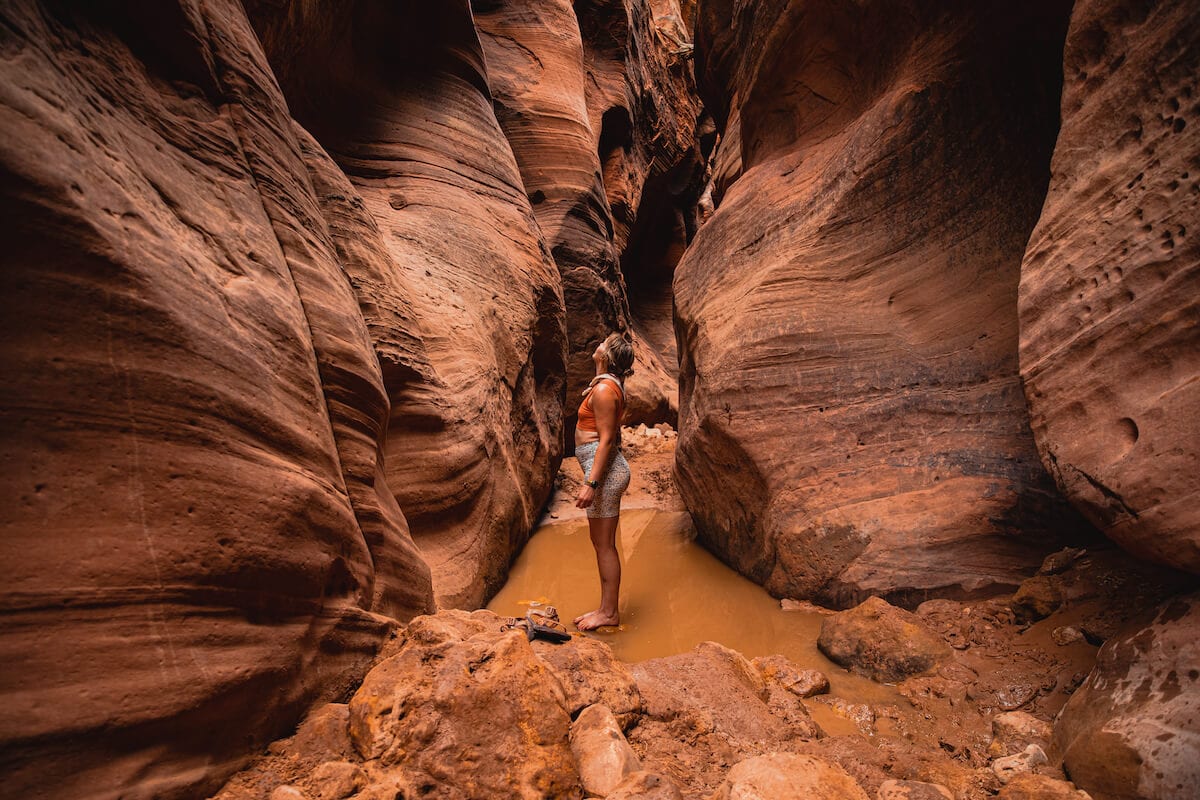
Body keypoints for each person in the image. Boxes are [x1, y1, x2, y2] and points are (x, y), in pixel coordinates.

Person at [573, 332, 634, 631]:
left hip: (606, 475)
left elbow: (607, 440)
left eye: (603, 343)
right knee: (600, 543)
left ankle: (609, 613)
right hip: (605, 471)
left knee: (605, 545)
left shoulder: (604, 391)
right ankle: (604, 608)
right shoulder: (605, 385)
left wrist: (591, 484)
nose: (597, 344)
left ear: (606, 355)